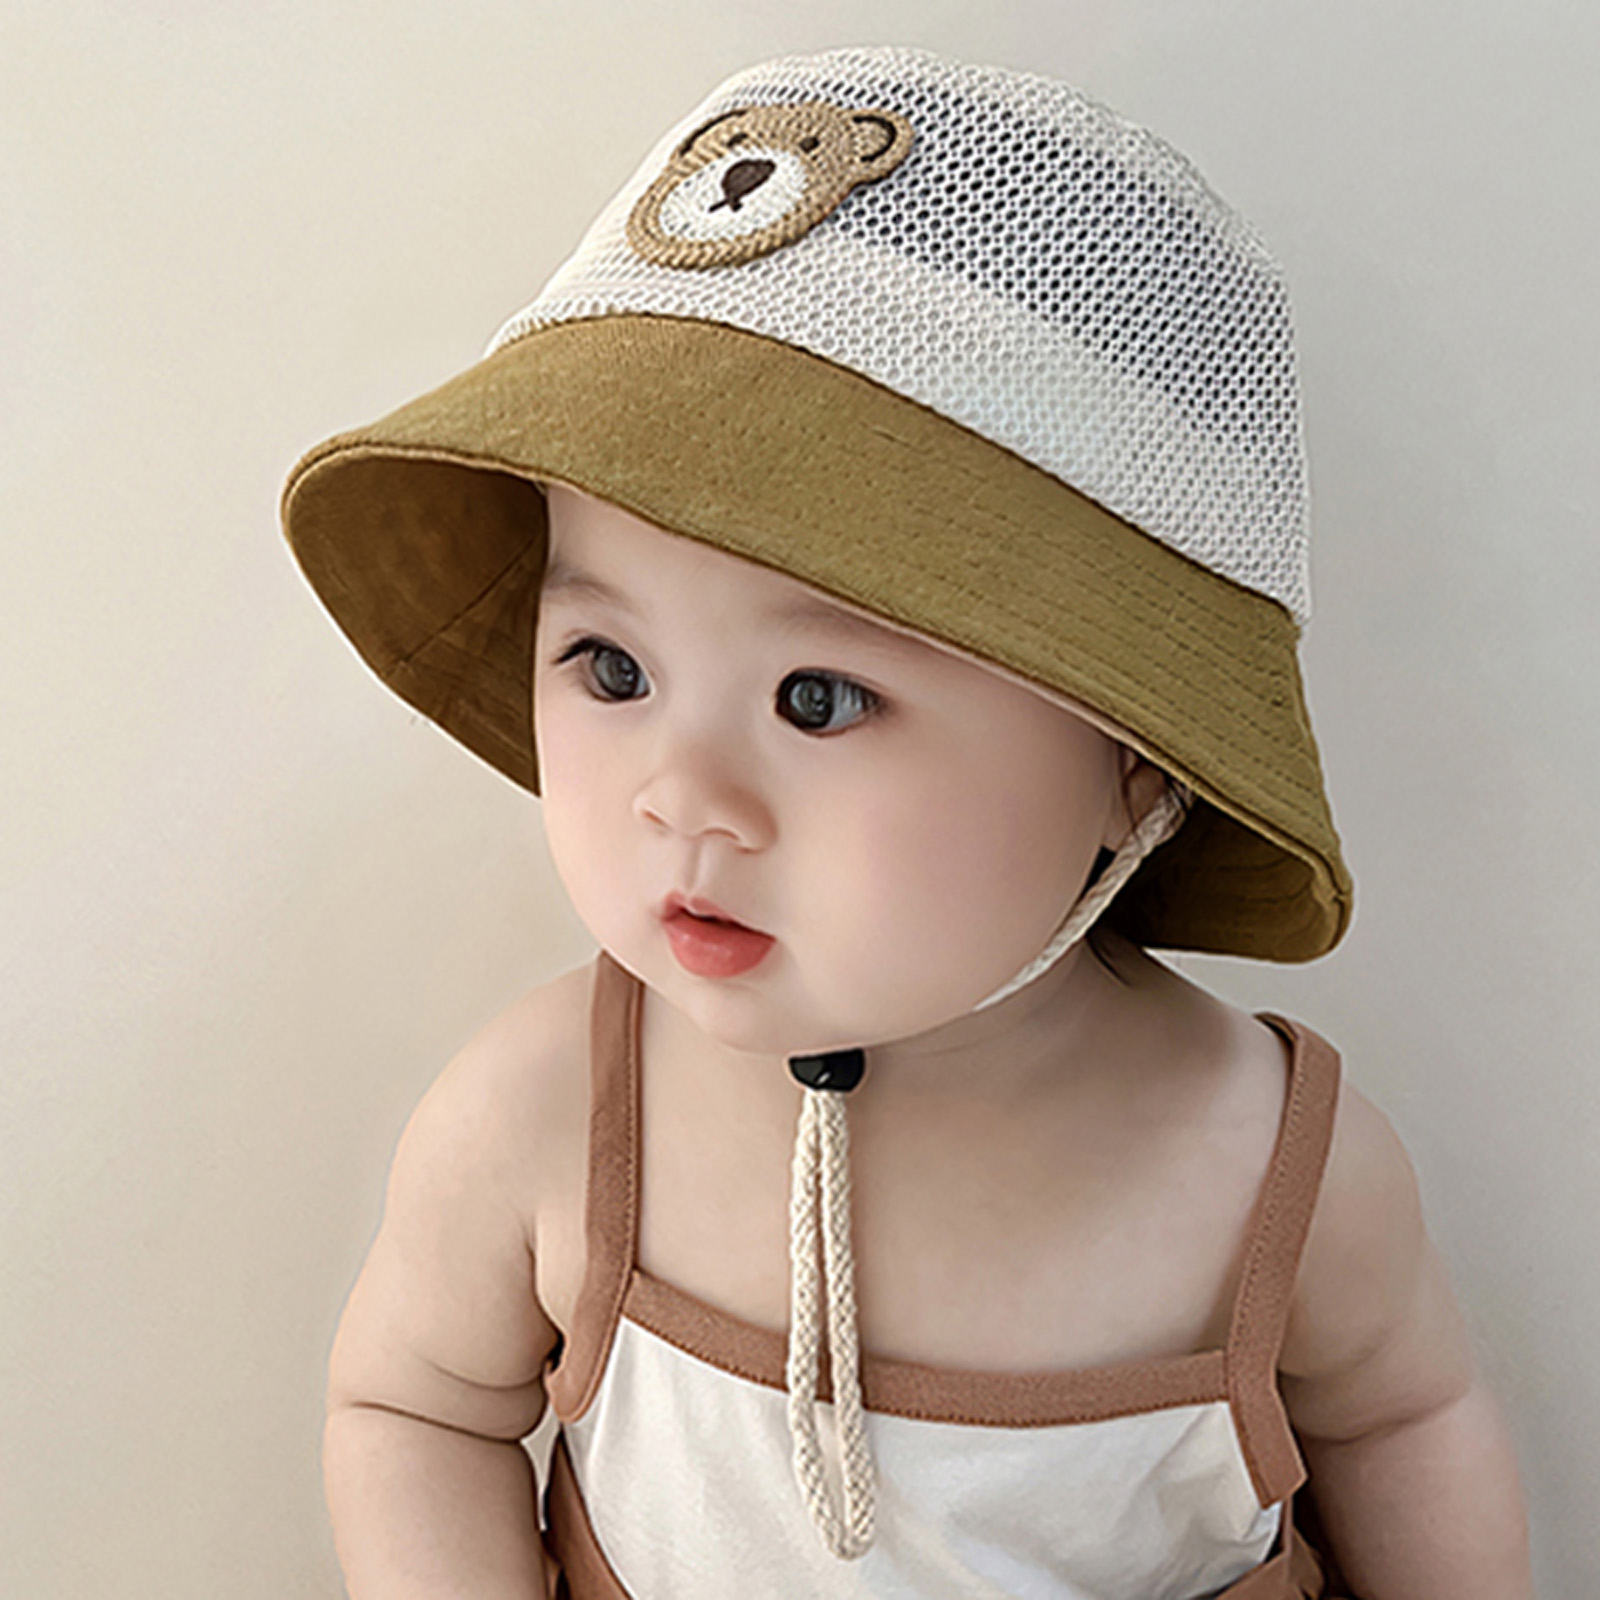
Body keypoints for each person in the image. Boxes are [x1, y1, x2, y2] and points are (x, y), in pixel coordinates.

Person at [282, 45, 1533, 1600]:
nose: (682, 795)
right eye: (611, 668)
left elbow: (1408, 1419)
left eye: (818, 700)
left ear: (1137, 769)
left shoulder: (1260, 1159)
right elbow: (413, 1411)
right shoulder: (550, 1116)